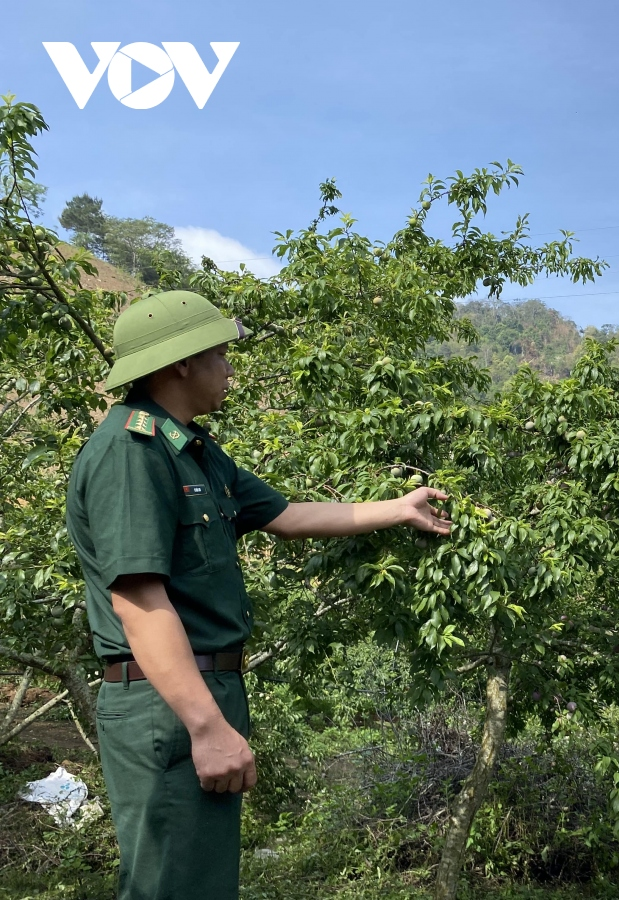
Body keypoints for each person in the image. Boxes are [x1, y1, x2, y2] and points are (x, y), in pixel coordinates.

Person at [65, 291, 452, 900]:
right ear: (182, 363)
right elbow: (138, 603)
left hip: (196, 691)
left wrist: (399, 509)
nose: (230, 369)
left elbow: (288, 514)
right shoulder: (131, 452)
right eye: (220, 354)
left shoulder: (193, 450)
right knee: (173, 886)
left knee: (198, 880)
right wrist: (206, 726)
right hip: (167, 699)